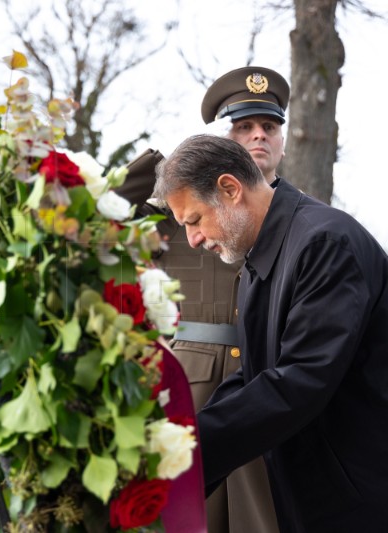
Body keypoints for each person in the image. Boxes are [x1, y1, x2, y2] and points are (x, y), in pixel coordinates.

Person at [154, 133, 388, 532]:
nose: (192, 239)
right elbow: (253, 373)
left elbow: (299, 380)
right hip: (314, 490)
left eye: (194, 220)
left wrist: (187, 456)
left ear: (229, 189)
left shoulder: (324, 243)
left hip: (357, 493)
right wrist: (179, 438)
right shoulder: (258, 259)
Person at [117, 66, 288, 533]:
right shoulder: (181, 208)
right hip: (193, 384)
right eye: (243, 127)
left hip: (264, 384)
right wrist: (171, 169)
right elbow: (106, 212)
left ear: (282, 140)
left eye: (269, 127)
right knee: (191, 518)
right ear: (225, 138)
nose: (258, 136)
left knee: (264, 519)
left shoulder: (301, 216)